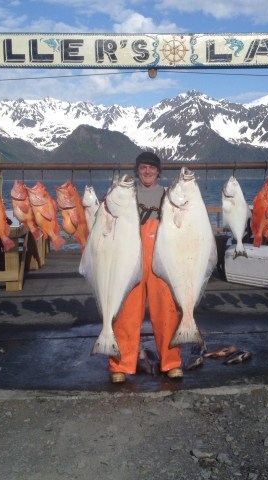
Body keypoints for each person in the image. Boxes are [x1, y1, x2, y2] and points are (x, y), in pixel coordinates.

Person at [109, 151, 183, 383]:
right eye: (143, 167)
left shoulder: (169, 195)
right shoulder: (125, 194)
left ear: (158, 171)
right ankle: (120, 365)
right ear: (137, 171)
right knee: (126, 313)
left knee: (167, 312)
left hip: (162, 256)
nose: (147, 171)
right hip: (131, 257)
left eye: (152, 167)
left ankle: (171, 363)